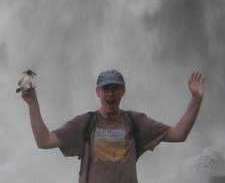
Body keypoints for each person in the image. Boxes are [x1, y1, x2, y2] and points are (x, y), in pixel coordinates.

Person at [21, 69, 205, 183]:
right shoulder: (84, 123)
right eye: (106, 88)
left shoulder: (136, 122)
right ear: (97, 92)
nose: (111, 93)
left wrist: (196, 99)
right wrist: (32, 104)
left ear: (123, 91)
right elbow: (44, 141)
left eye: (115, 88)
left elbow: (179, 134)